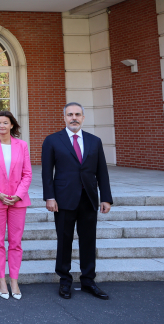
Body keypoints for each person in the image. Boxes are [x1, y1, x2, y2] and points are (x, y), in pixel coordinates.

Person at [42, 102, 113, 300]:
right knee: (64, 241)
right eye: (70, 114)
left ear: (83, 117)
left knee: (88, 240)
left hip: (88, 199)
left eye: (77, 114)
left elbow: (102, 171)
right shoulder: (52, 140)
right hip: (63, 200)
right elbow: (47, 172)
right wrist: (49, 197)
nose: (74, 118)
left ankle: (88, 280)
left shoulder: (94, 141)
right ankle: (65, 281)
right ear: (64, 117)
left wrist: (106, 198)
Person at [0, 111, 32, 300]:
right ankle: (1, 280)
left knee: (16, 243)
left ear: (12, 125)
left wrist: (18, 195)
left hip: (18, 200)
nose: (1, 126)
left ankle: (14, 281)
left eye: (5, 122)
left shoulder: (22, 145)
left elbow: (27, 173)